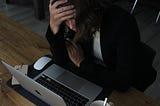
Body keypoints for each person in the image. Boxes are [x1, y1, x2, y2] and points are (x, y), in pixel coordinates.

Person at [45, 0, 157, 96]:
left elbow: (123, 83)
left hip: (128, 84)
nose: (71, 27)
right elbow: (61, 60)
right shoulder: (74, 20)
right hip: (97, 76)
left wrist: (82, 63)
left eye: (74, 20)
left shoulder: (123, 23)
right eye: (65, 21)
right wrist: (54, 26)